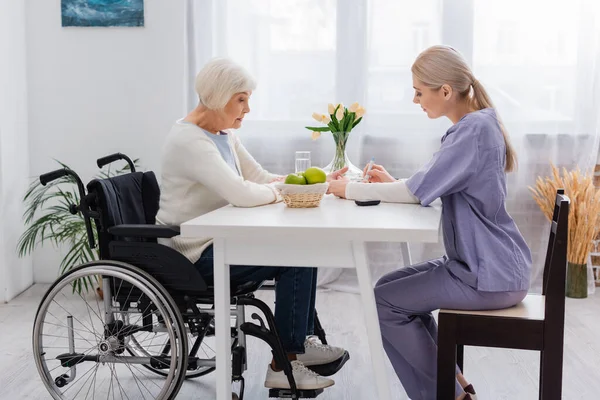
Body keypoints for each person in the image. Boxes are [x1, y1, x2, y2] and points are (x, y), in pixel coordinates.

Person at [327, 45, 532, 400]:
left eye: (419, 92)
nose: (415, 100)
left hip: (487, 274)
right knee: (387, 290)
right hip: (486, 265)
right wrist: (394, 184)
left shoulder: (473, 131)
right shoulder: (479, 124)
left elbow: (418, 190)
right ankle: (456, 387)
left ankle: (449, 395)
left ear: (446, 91)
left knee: (385, 303)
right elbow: (430, 185)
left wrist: (349, 190)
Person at [156, 58, 349, 391]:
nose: (247, 108)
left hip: (217, 241)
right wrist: (283, 190)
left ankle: (299, 344)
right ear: (218, 96)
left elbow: (259, 178)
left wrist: (310, 182)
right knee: (295, 258)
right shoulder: (190, 141)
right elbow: (242, 194)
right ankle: (284, 363)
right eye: (241, 99)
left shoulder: (222, 134)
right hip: (191, 256)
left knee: (303, 248)